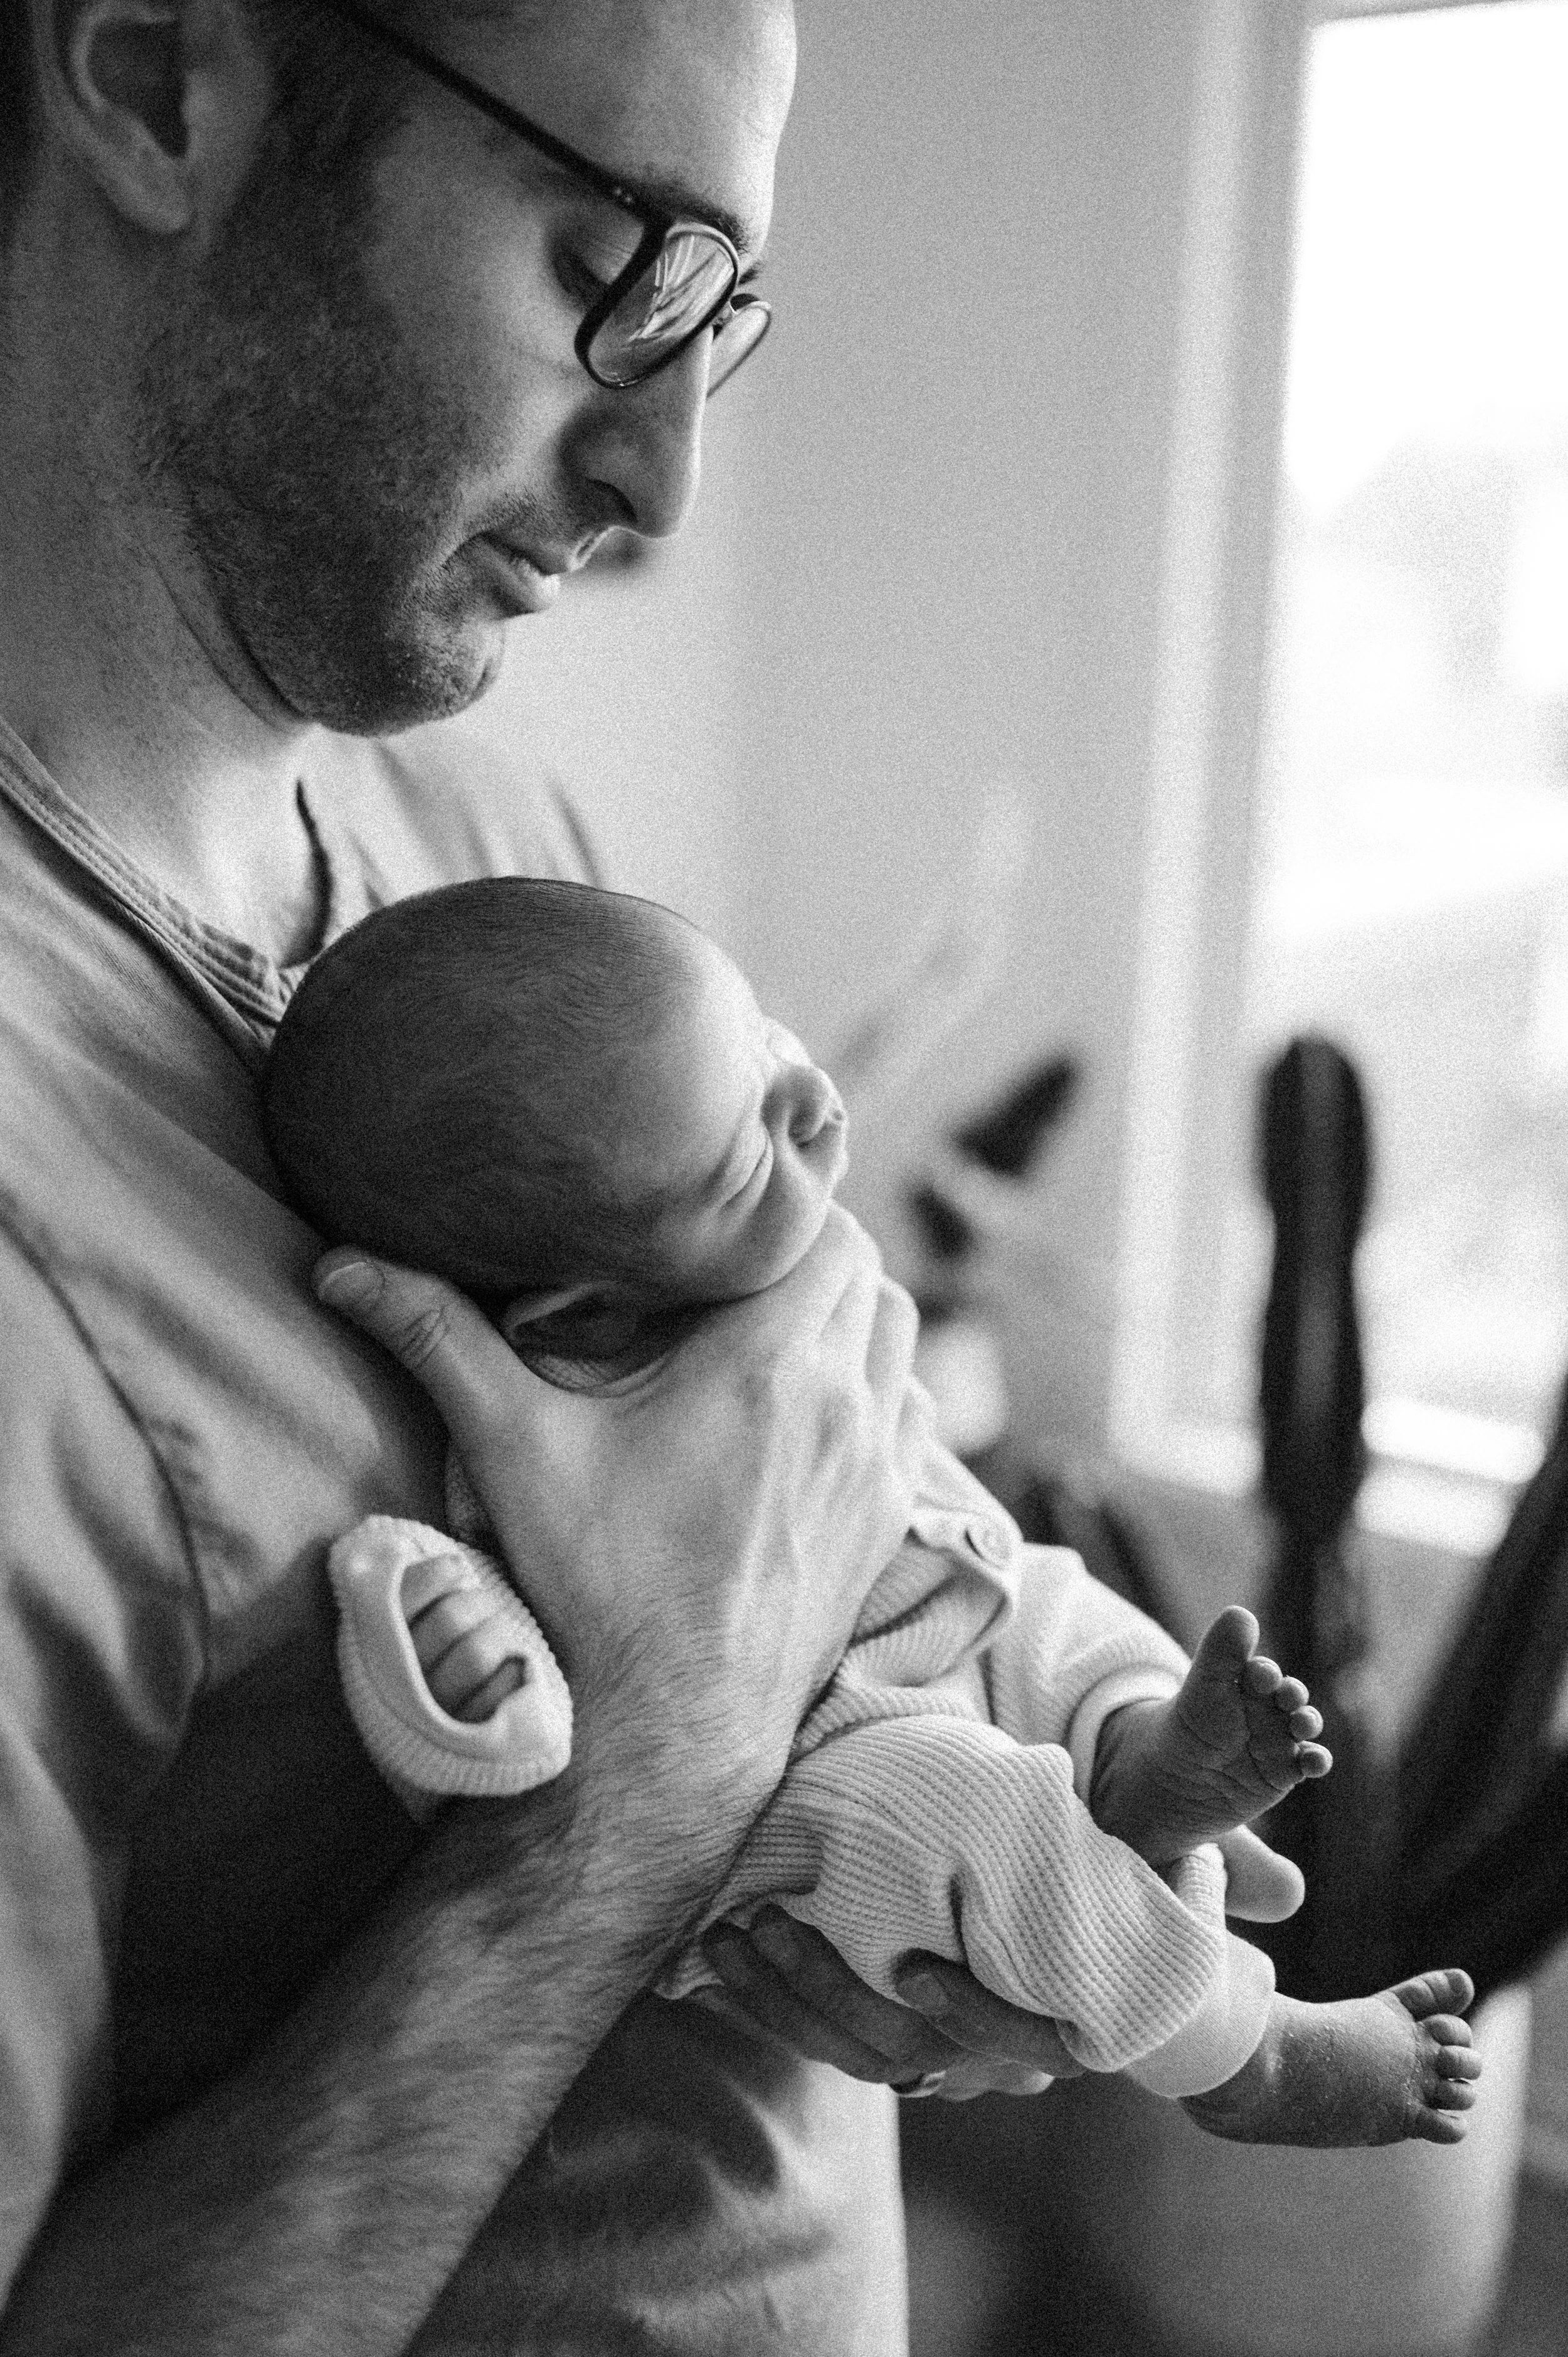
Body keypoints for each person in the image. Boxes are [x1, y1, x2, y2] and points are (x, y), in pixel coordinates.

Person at [0, 0, 1459, 2348]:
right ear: (165, 77)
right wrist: (647, 1778)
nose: (666, 483)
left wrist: (953, 1882)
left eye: (725, 310)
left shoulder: (472, 832)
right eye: (615, 259)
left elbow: (817, 1454)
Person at [262, 872, 1483, 2142]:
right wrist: (463, 1690)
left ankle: (1137, 1762)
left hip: (947, 1615)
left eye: (770, 1048)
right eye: (753, 1152)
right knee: (966, 1798)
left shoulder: (761, 1272)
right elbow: (452, 1642)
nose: (814, 1101)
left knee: (1066, 1610)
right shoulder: (532, 1430)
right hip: (811, 1790)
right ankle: (1241, 2054)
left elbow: (947, 1506)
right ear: (583, 1316)